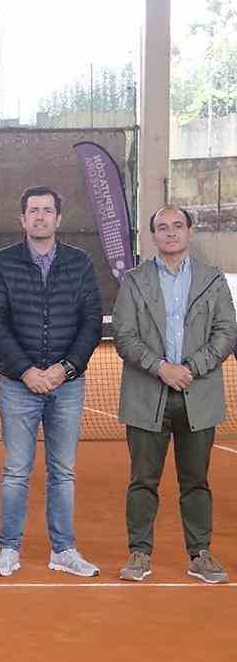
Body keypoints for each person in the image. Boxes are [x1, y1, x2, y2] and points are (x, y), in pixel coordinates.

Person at [0, 186, 102, 578]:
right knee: (16, 470)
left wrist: (64, 369)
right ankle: (8, 550)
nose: (40, 217)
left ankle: (63, 550)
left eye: (47, 211)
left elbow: (91, 322)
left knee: (63, 471)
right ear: (22, 219)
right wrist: (27, 371)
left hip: (68, 384)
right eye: (33, 211)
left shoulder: (80, 263)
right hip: (18, 385)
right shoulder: (3, 263)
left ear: (58, 219)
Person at [112, 206, 236, 584]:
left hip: (199, 396)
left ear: (190, 232)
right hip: (147, 396)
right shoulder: (133, 281)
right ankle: (139, 552)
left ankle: (200, 554)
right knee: (142, 480)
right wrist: (161, 367)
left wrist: (191, 368)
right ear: (152, 236)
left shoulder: (213, 280)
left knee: (196, 481)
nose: (170, 233)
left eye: (177, 226)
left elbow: (226, 332)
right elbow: (124, 336)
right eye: (162, 228)